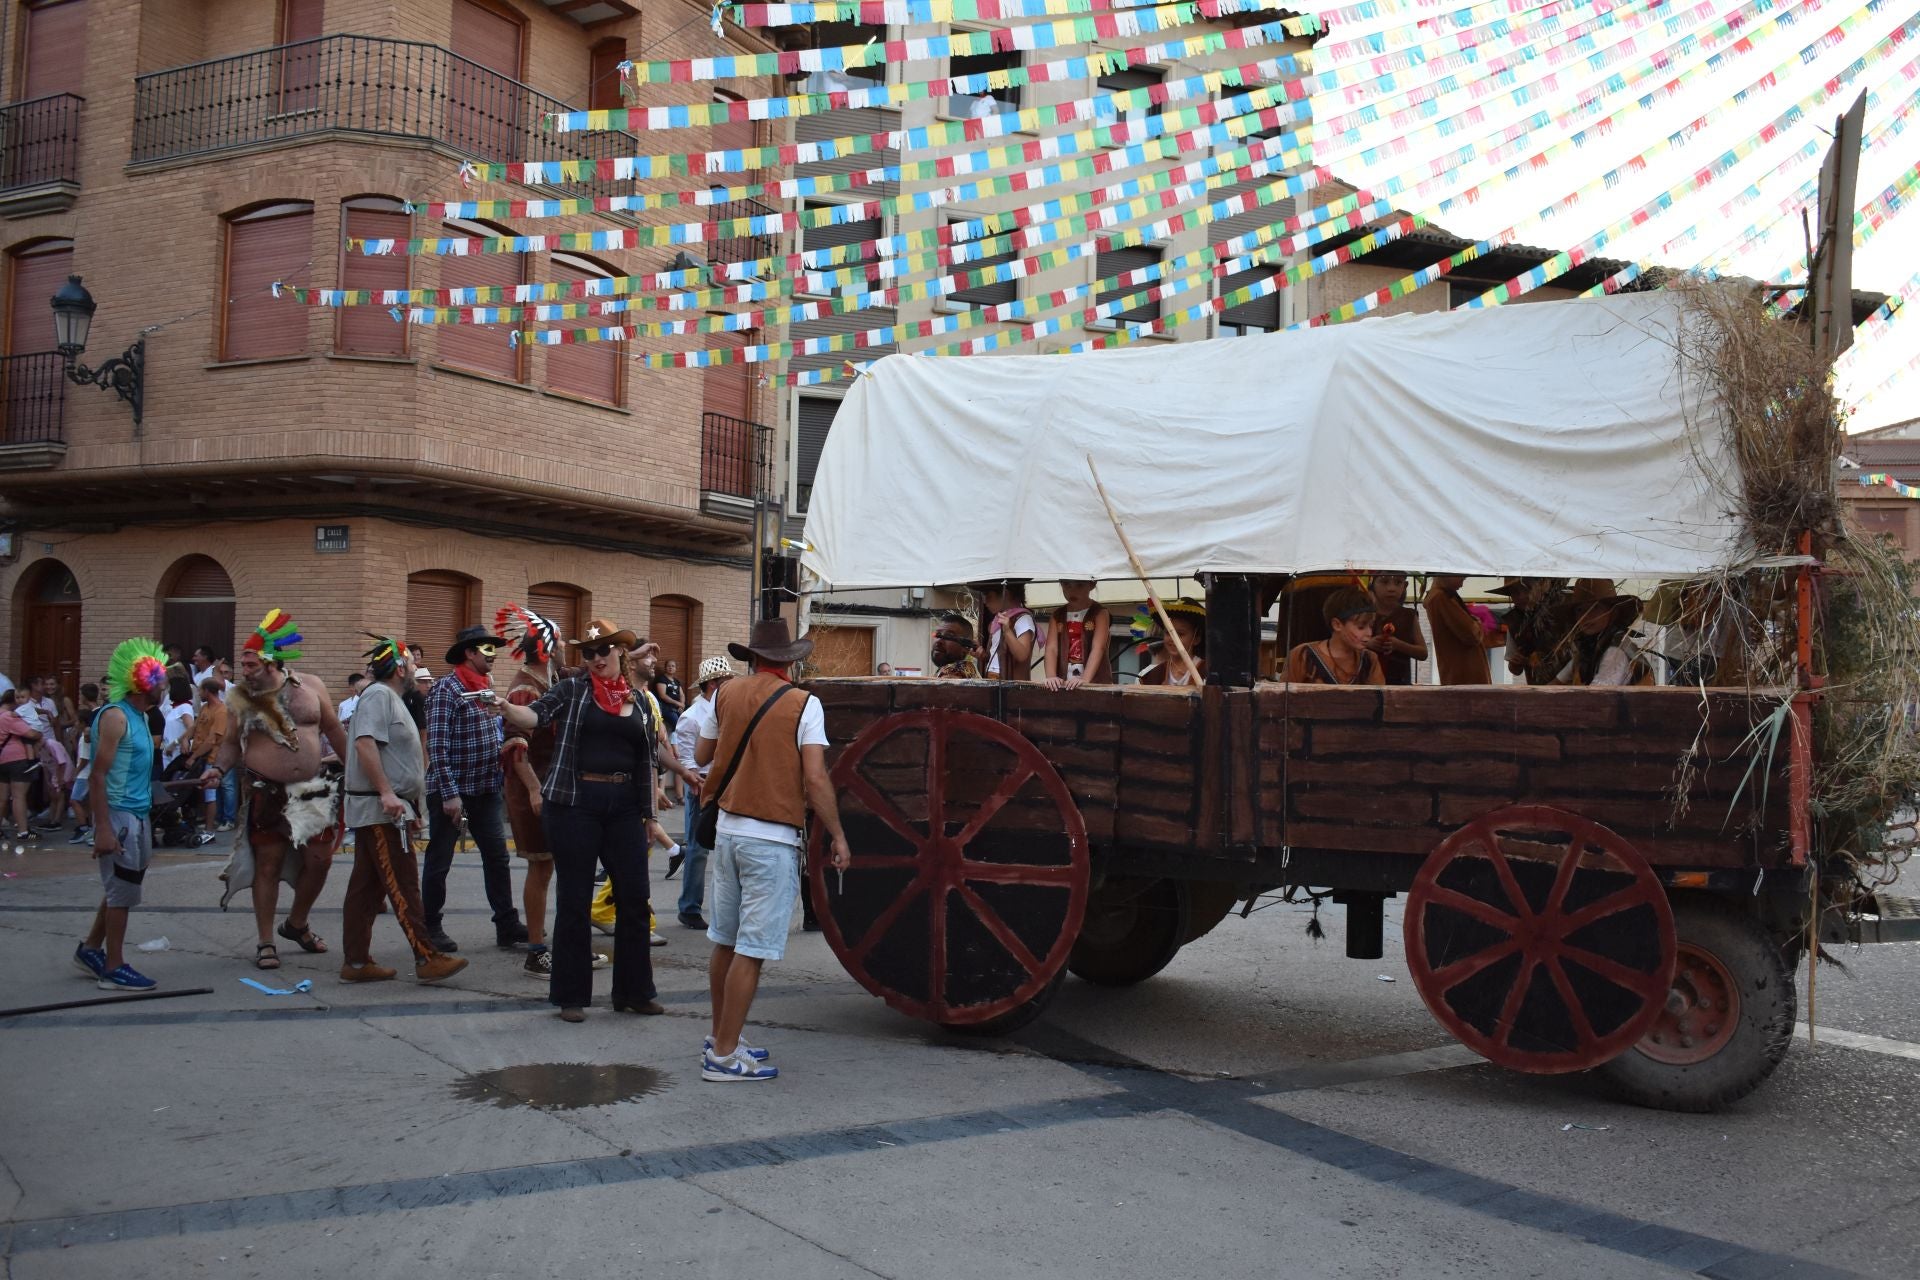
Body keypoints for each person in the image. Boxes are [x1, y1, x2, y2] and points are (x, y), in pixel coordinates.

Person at [696, 618, 854, 1082]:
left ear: (752, 656)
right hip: (771, 838)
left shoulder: (723, 693)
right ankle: (724, 1058)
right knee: (752, 950)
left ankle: (721, 1035)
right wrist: (838, 835)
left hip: (726, 830)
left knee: (724, 940)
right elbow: (815, 778)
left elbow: (703, 756)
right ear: (789, 659)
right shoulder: (804, 704)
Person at [496, 618, 668, 1023]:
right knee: (573, 900)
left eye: (601, 651)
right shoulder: (572, 689)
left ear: (619, 652)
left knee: (634, 899)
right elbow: (535, 716)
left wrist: (650, 815)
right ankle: (571, 996)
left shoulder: (640, 702)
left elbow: (646, 762)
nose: (594, 659)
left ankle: (634, 991)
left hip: (625, 807)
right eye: (587, 653)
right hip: (574, 805)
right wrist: (505, 707)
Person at [202, 611, 348, 970]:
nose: (244, 668)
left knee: (321, 860)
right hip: (267, 791)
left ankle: (296, 924)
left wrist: (359, 774)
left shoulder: (311, 686)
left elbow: (333, 729)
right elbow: (233, 743)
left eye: (250, 662)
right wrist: (217, 768)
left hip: (312, 790)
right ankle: (266, 941)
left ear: (269, 660)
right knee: (267, 866)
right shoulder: (240, 697)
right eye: (243, 663)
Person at [339, 635, 468, 985]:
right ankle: (427, 957)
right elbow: (366, 744)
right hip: (382, 810)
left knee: (366, 887)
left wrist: (413, 805)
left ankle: (355, 962)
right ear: (399, 667)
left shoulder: (390, 698)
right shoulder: (379, 696)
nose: (415, 668)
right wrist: (387, 794)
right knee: (404, 882)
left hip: (390, 808)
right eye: (411, 663)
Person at [420, 625, 528, 954]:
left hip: (485, 790)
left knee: (497, 857)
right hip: (452, 792)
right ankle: (430, 925)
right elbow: (437, 747)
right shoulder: (446, 690)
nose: (494, 656)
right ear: (470, 653)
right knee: (440, 860)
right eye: (488, 650)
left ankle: (506, 924)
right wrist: (450, 795)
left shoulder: (484, 690)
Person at [74, 638, 169, 991]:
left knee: (122, 887)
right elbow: (96, 776)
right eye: (160, 680)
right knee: (121, 893)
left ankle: (90, 949)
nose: (164, 686)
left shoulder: (140, 717)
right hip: (119, 816)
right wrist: (102, 828)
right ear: (145, 683)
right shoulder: (115, 716)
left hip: (137, 814)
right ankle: (113, 966)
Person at [496, 604, 569, 978]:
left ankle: (563, 945)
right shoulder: (526, 689)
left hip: (549, 788)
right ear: (548, 648)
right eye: (559, 643)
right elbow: (515, 747)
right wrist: (536, 792)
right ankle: (537, 951)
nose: (564, 650)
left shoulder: (549, 681)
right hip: (533, 791)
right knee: (541, 868)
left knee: (550, 866)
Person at [670, 656, 734, 931]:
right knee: (697, 848)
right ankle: (690, 907)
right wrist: (696, 782)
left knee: (725, 846)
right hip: (702, 783)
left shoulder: (724, 710)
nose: (730, 684)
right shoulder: (691, 716)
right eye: (725, 680)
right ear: (712, 685)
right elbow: (686, 759)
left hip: (724, 782)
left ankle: (717, 906)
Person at [1552, 579, 1651, 686]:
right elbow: (1556, 682)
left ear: (1613, 613)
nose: (1586, 616)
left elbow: (1597, 697)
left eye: (1595, 608)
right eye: (1580, 610)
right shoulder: (1589, 649)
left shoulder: (1616, 650)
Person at [1285, 587, 1387, 685]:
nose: (1369, 633)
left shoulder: (1369, 659)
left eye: (1371, 626)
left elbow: (1380, 698)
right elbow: (1284, 698)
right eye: (1361, 627)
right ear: (1337, 625)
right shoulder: (1303, 655)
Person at [1493, 578, 1572, 685]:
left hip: (1572, 686)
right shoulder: (1514, 621)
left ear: (1542, 586)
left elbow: (1579, 657)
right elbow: (1515, 670)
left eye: (1527, 589)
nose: (1521, 596)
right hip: (1538, 689)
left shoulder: (1564, 611)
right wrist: (1515, 664)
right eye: (1515, 592)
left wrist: (1557, 682)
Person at [1423, 574, 1499, 686]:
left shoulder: (1441, 596)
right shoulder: (1441, 598)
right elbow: (1471, 634)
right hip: (1465, 678)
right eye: (1462, 578)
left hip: (1461, 677)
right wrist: (1478, 622)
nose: (1462, 584)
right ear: (1447, 572)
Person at [1042, 579, 1112, 690]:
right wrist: (1051, 677)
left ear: (1092, 584)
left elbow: (1098, 648)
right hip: (1063, 679)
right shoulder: (1057, 615)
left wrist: (1085, 679)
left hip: (1094, 679)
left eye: (1079, 585)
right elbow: (1051, 648)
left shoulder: (1100, 613)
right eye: (1066, 585)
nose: (1072, 591)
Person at [182, 676, 231, 835]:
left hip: (212, 758)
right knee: (202, 791)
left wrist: (193, 756)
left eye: (201, 690)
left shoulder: (221, 711)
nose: (199, 694)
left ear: (207, 691)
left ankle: (210, 830)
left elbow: (212, 740)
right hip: (200, 756)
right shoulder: (205, 708)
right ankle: (206, 823)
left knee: (210, 794)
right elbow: (195, 727)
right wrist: (184, 739)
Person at [1365, 573, 1428, 686]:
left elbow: (1423, 653)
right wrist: (1367, 644)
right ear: (1372, 584)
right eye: (1384, 582)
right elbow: (1347, 645)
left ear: (1405, 585)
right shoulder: (1364, 614)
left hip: (1400, 682)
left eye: (1398, 583)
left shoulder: (1409, 616)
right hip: (1367, 680)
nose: (1391, 589)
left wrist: (1399, 645)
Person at [0, 688, 42, 842]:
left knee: (2, 798)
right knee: (18, 796)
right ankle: (23, 831)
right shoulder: (8, 717)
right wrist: (39, 734)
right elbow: (32, 734)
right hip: (17, 759)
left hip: (2, 759)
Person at [976, 580, 1040, 681]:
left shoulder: (1023, 618)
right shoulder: (997, 620)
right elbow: (995, 657)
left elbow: (1022, 655)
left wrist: (1008, 631)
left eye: (988, 595)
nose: (985, 601)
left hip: (1011, 685)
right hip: (991, 677)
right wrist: (982, 655)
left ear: (1005, 594)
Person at [1138, 598, 1206, 686]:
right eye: (1168, 633)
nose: (1173, 639)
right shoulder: (1152, 676)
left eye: (1180, 634)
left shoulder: (1207, 673)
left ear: (1197, 638)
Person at [931, 614, 983, 679]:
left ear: (966, 647)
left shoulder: (956, 672)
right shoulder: (944, 670)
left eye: (948, 636)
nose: (938, 641)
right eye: (938, 635)